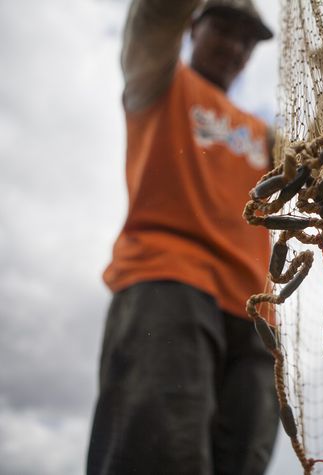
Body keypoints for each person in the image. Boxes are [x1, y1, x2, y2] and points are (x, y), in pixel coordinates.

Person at [86, 1, 279, 474]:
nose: (235, 47)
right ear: (194, 26)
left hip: (256, 315)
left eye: (247, 39)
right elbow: (154, 17)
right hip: (168, 283)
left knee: (243, 460)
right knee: (159, 453)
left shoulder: (265, 135)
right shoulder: (158, 80)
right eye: (223, 30)